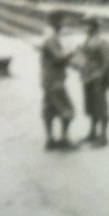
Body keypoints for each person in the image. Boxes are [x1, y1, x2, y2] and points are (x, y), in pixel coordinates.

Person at [37, 10, 75, 150]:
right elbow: (58, 59)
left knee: (49, 109)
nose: (63, 25)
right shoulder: (51, 40)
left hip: (48, 80)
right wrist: (70, 52)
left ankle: (50, 140)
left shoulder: (47, 37)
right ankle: (64, 139)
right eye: (61, 22)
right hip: (55, 80)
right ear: (56, 23)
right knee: (68, 109)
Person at [77, 17, 109, 145]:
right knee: (91, 104)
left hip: (97, 76)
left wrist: (101, 75)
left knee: (101, 105)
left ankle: (104, 136)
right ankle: (92, 132)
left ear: (94, 27)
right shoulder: (89, 39)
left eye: (87, 25)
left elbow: (107, 61)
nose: (85, 28)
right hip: (88, 76)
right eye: (85, 25)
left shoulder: (101, 42)